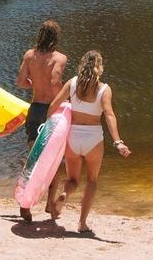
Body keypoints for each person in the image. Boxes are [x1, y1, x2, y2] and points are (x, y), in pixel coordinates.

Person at [46, 50, 129, 235]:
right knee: (92, 181)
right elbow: (109, 114)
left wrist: (48, 129)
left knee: (72, 180)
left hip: (73, 137)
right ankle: (82, 223)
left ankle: (64, 195)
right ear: (100, 68)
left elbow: (54, 105)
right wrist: (118, 142)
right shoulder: (104, 89)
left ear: (82, 65)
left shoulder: (72, 83)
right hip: (93, 138)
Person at [15, 19, 69, 222]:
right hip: (52, 111)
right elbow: (55, 82)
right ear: (56, 37)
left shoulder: (30, 55)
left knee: (34, 158)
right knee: (53, 160)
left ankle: (25, 204)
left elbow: (20, 82)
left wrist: (36, 84)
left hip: (35, 109)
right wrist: (66, 97)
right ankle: (49, 204)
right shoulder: (60, 58)